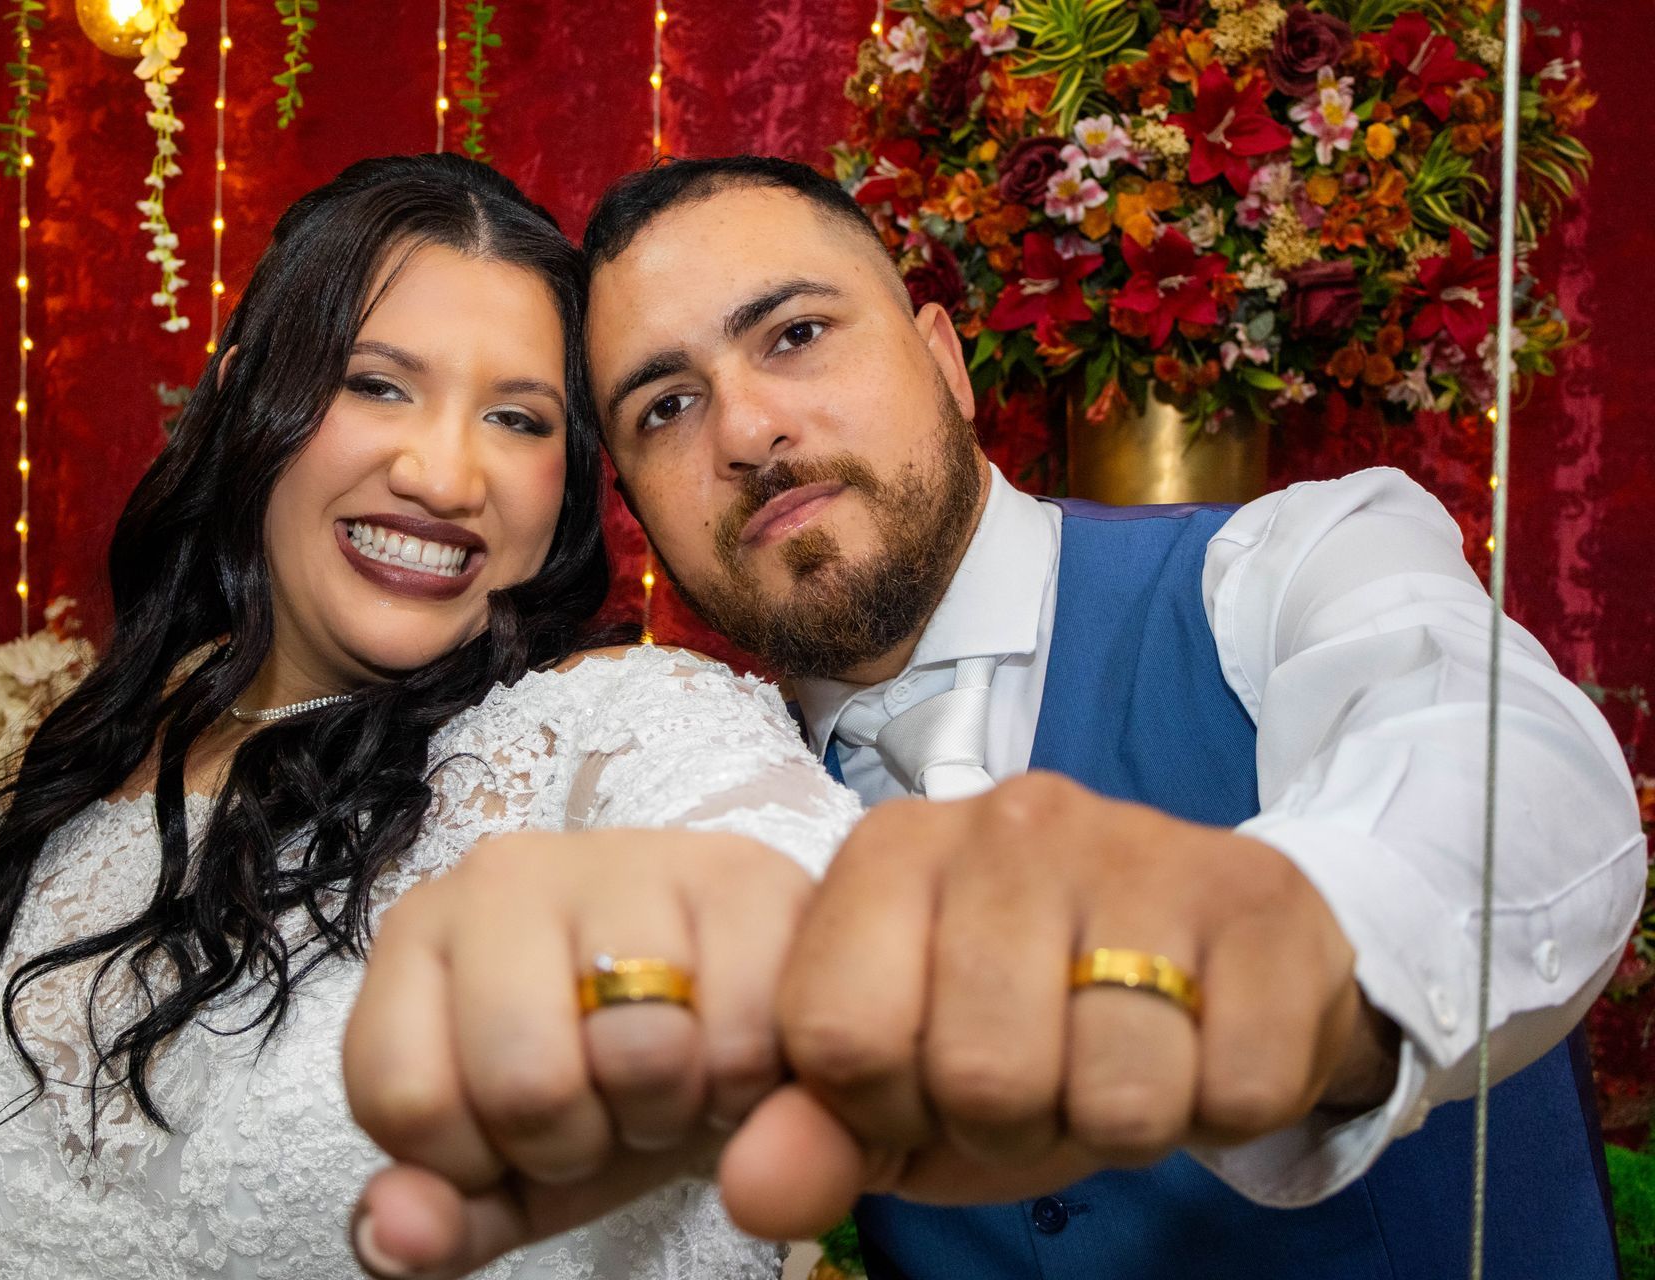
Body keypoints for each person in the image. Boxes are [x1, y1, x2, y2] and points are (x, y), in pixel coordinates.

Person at [342, 156, 1646, 1280]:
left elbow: (1515, 785)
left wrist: (1297, 949)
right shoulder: (705, 794)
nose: (745, 429)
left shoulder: (1288, 565)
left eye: (793, 334)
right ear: (633, 504)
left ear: (943, 360)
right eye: (664, 406)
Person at [0, 154, 864, 1279]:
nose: (446, 473)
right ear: (237, 398)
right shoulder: (98, 762)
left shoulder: (601, 727)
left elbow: (795, 889)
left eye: (517, 417)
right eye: (377, 384)